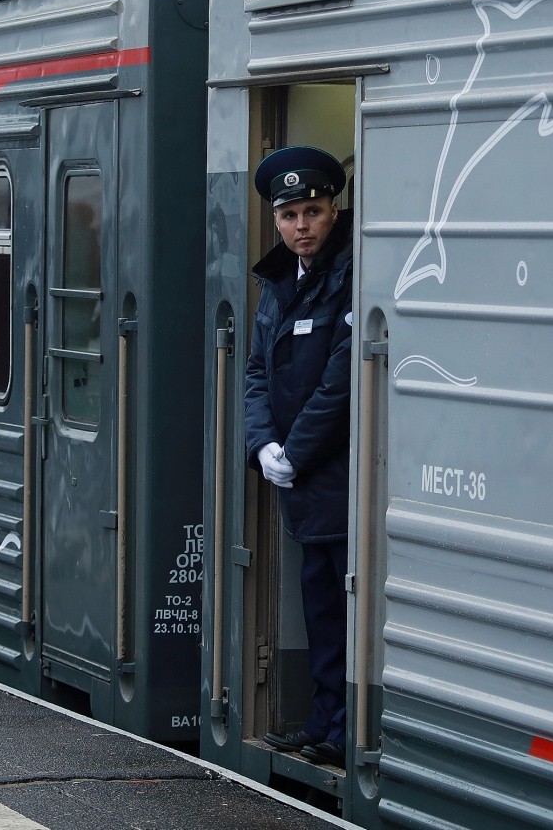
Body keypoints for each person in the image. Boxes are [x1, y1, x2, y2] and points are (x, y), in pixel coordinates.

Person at [244, 145, 353, 769]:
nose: (301, 227)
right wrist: (263, 445)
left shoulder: (346, 274)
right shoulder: (281, 280)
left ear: (332, 211)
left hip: (335, 472)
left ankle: (341, 727)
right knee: (318, 601)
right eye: (289, 216)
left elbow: (341, 380)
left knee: (341, 601)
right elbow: (257, 372)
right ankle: (323, 719)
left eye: (312, 211)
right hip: (300, 476)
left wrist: (297, 449)